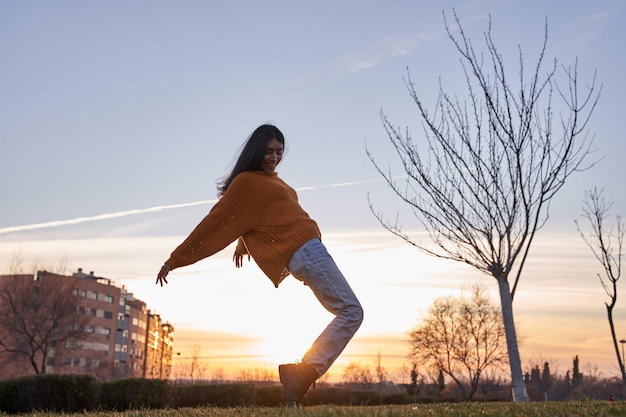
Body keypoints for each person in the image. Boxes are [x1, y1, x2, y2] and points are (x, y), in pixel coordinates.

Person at [155, 124, 363, 407]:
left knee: (348, 311)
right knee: (352, 311)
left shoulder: (273, 181)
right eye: (268, 151)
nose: (274, 157)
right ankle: (302, 373)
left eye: (279, 151)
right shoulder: (246, 182)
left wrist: (244, 243)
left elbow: (262, 218)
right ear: (256, 151)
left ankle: (298, 380)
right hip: (307, 253)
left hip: (311, 251)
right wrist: (176, 259)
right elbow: (215, 223)